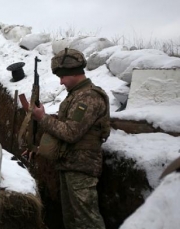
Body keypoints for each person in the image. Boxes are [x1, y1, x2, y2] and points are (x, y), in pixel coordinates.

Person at [29, 48, 110, 229]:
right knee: (71, 220)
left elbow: (71, 132)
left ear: (72, 73)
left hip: (81, 168)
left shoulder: (88, 97)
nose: (61, 82)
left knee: (87, 221)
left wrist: (43, 118)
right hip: (69, 164)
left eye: (62, 77)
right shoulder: (76, 95)